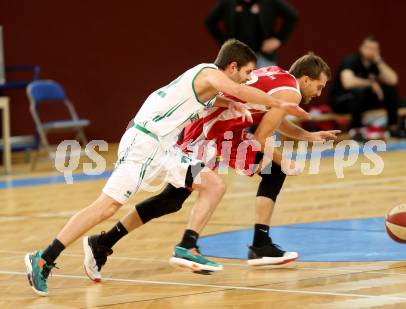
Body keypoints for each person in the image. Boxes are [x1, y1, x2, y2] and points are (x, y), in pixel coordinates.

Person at [24, 39, 310, 296]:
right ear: (232, 66)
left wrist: (231, 105)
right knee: (106, 208)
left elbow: (223, 96)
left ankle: (187, 247)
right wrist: (278, 102)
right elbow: (237, 90)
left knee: (213, 185)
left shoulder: (207, 82)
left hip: (166, 149)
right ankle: (44, 257)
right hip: (144, 144)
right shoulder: (210, 73)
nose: (250, 78)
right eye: (247, 72)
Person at [82, 53, 338, 282]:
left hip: (225, 134)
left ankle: (261, 245)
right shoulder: (291, 92)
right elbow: (261, 137)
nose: (319, 92)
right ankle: (111, 242)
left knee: (269, 172)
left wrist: (309, 136)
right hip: (205, 133)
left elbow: (274, 121)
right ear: (305, 79)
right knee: (172, 199)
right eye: (319, 86)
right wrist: (286, 161)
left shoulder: (277, 76)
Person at [329, 35, 403, 141]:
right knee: (358, 91)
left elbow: (393, 80)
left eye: (375, 49)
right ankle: (356, 130)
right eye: (369, 48)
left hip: (361, 102)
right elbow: (347, 82)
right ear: (361, 48)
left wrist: (379, 61)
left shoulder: (374, 64)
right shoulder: (351, 60)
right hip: (341, 101)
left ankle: (393, 127)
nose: (371, 51)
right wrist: (371, 83)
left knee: (389, 89)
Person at [205, 0, 298, 68]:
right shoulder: (228, 3)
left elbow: (292, 16)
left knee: (265, 86)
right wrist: (225, 42)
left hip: (263, 55)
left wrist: (278, 39)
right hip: (235, 56)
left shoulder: (269, 2)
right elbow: (210, 21)